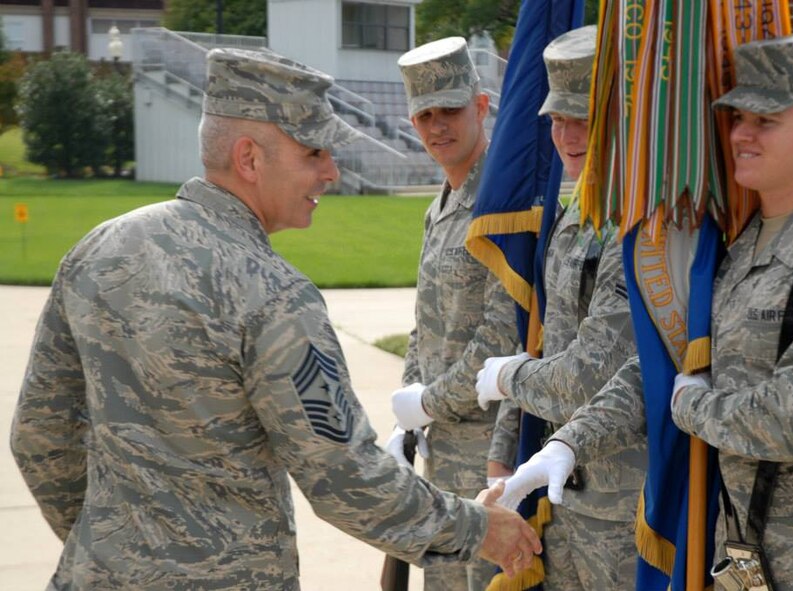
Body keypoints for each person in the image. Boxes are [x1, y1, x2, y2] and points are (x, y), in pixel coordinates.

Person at [9, 48, 542, 591]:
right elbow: (343, 477)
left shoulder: (99, 249)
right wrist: (478, 529)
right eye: (314, 152)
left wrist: (116, 545)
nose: (331, 172)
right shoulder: (272, 295)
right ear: (249, 158)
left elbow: (39, 435)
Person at [498, 31, 793, 589]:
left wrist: (693, 406)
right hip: (737, 555)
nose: (741, 136)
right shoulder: (733, 239)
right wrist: (568, 441)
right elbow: (663, 361)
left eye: (765, 121)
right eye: (736, 118)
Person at [474, 25, 645, 590]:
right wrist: (506, 449)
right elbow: (548, 339)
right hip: (564, 495)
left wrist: (506, 376)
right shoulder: (576, 216)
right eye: (555, 120)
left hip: (626, 507)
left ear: (620, 118)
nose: (566, 136)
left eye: (582, 118)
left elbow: (585, 379)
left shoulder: (639, 225)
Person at [384, 37, 521, 591]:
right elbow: (426, 321)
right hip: (440, 450)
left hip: (490, 455)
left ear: (482, 106)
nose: (437, 126)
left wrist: (427, 402)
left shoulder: (504, 205)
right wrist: (406, 411)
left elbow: (503, 331)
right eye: (424, 115)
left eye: (450, 111)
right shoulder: (437, 208)